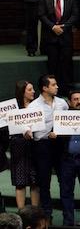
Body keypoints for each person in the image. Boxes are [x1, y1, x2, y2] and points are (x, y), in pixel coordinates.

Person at [24, 75, 67, 218]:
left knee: (64, 180)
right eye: (53, 85)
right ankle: (47, 215)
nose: (57, 87)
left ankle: (67, 213)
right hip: (42, 146)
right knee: (44, 182)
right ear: (44, 88)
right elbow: (27, 126)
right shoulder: (33, 106)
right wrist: (27, 132)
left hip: (60, 145)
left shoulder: (62, 103)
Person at [57, 89, 80, 226]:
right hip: (67, 160)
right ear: (69, 102)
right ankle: (68, 221)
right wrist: (55, 135)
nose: (79, 102)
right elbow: (57, 141)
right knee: (66, 191)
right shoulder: (61, 118)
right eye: (75, 99)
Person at [37, 0, 78, 88]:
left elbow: (75, 15)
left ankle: (66, 88)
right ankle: (53, 89)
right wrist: (53, 27)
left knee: (66, 64)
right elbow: (41, 14)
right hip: (51, 38)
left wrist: (64, 26)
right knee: (52, 65)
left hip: (66, 37)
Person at [11, 80, 38, 209]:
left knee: (35, 180)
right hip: (19, 146)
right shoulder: (13, 108)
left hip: (35, 145)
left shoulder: (37, 106)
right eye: (30, 89)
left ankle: (35, 213)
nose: (33, 91)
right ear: (22, 92)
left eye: (33, 89)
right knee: (20, 181)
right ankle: (21, 213)